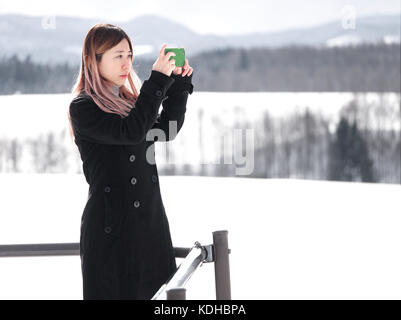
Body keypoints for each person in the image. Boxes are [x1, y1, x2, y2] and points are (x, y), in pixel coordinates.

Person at [67, 23, 194, 300]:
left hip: (149, 225)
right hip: (112, 231)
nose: (126, 63)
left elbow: (166, 130)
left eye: (129, 55)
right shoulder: (83, 107)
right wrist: (158, 80)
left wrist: (179, 86)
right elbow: (130, 132)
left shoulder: (129, 101)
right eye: (118, 56)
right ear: (94, 60)